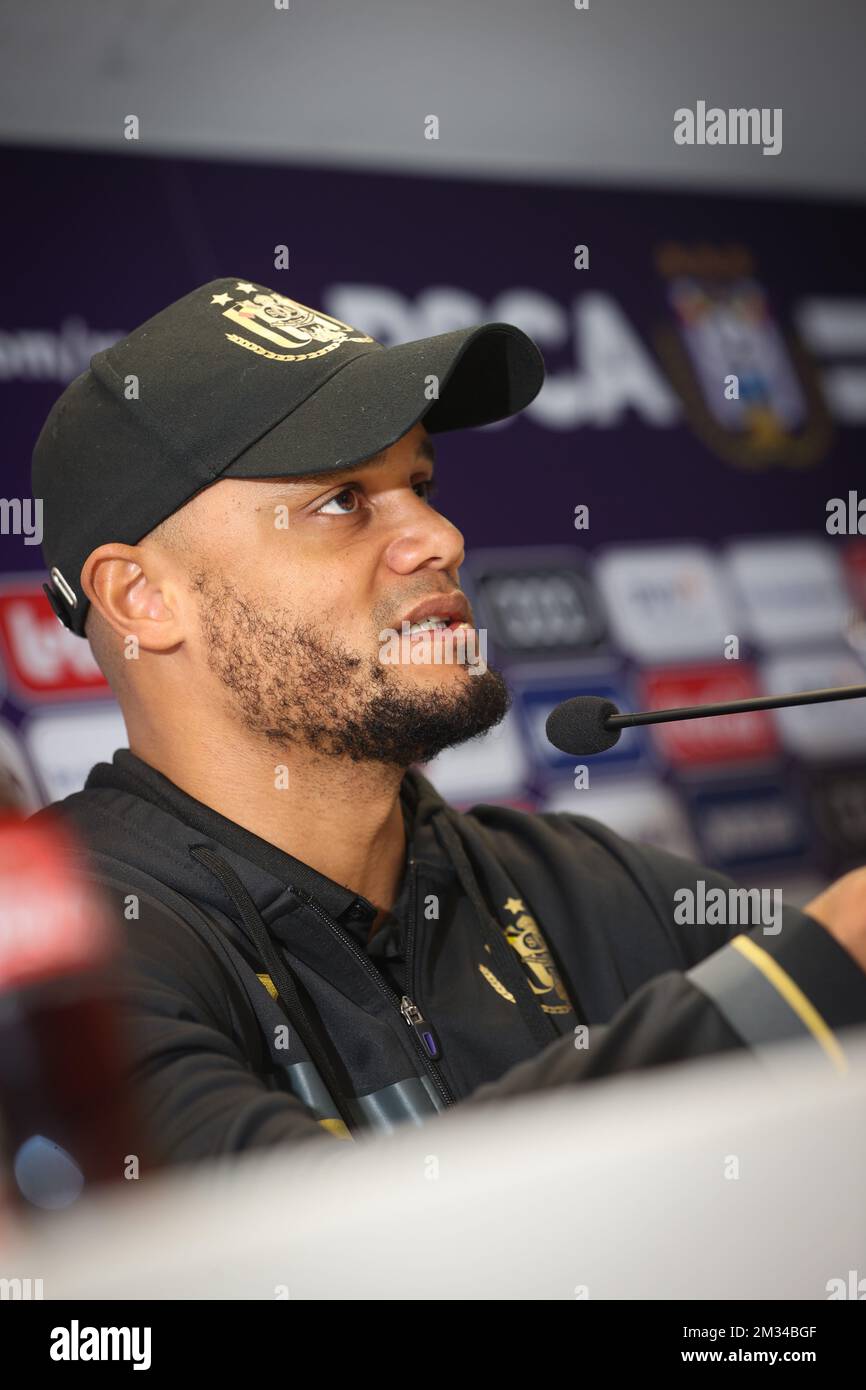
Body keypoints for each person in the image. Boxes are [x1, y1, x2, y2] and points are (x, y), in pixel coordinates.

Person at [29, 277, 866, 1162]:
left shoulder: (575, 882)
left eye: (420, 483)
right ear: (143, 598)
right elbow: (307, 1252)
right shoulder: (62, 952)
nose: (440, 536)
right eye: (343, 499)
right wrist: (810, 970)